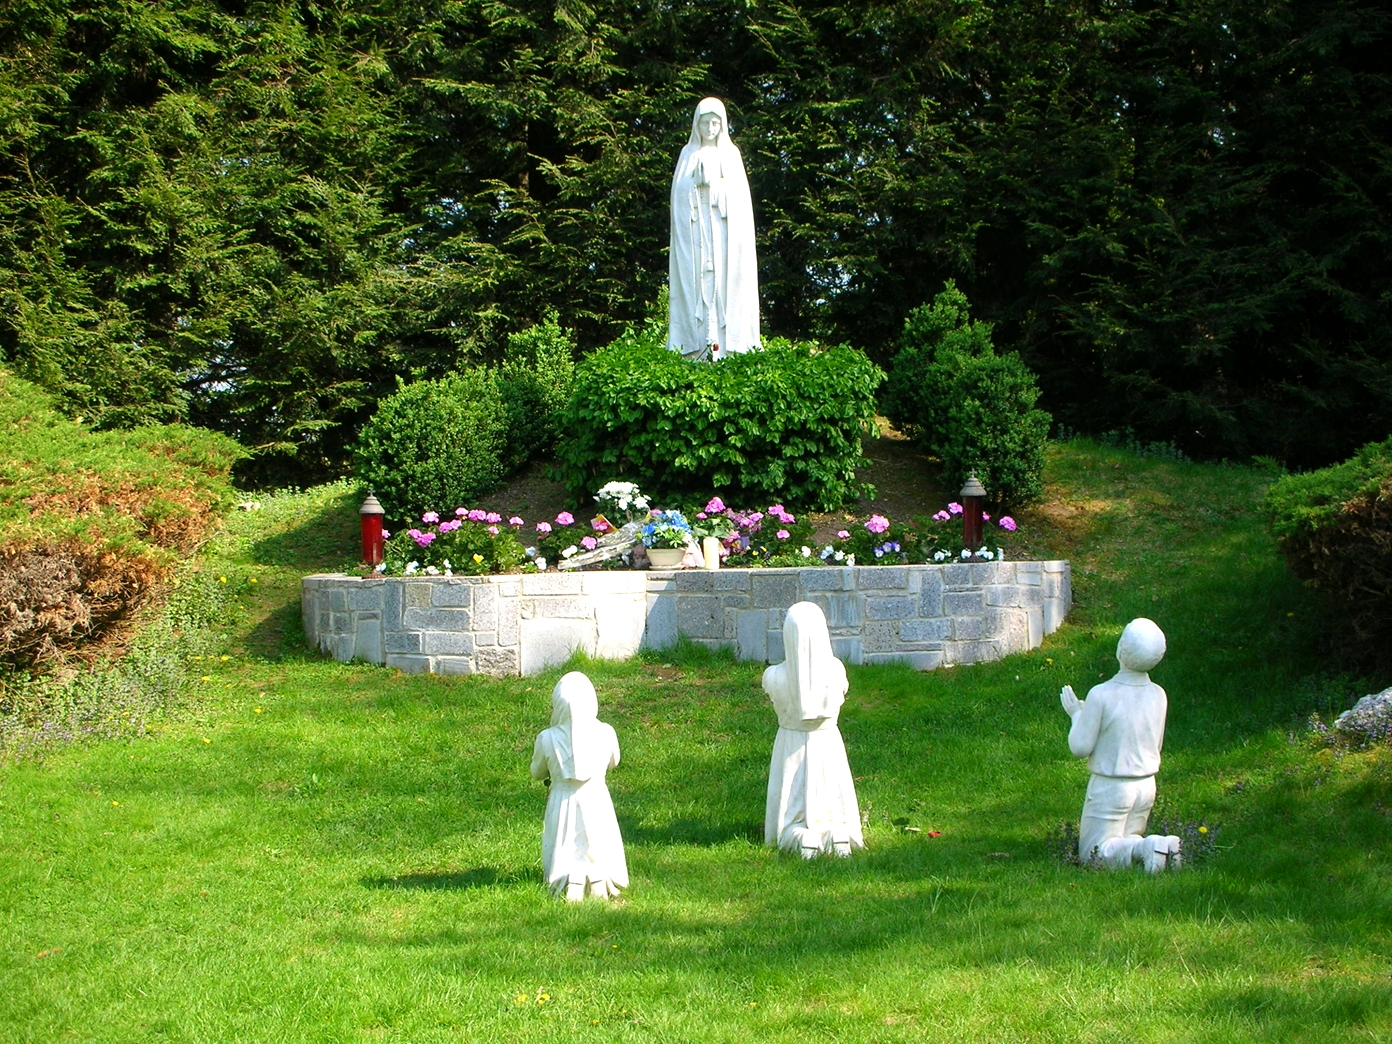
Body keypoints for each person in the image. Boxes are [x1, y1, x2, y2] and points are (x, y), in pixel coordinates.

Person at [1060, 618, 1181, 872]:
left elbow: (1080, 747)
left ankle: (1145, 849)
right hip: (1146, 784)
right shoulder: (1159, 694)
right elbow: (1156, 744)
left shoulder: (1101, 694)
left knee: (1094, 853)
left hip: (1111, 786)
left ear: (1120, 649)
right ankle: (1159, 847)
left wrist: (1076, 715)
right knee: (1127, 837)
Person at [763, 602, 864, 858]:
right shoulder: (836, 670)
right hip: (828, 745)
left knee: (792, 797)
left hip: (791, 749)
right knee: (831, 796)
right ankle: (836, 832)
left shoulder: (773, 676)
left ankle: (797, 833)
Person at [668, 97, 761, 361]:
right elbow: (678, 199)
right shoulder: (688, 155)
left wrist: (715, 186)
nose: (710, 128)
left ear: (722, 126)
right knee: (697, 286)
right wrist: (696, 184)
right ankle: (695, 346)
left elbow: (740, 201)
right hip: (697, 236)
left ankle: (728, 346)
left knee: (723, 288)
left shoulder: (731, 155)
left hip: (723, 239)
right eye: (705, 122)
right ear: (696, 125)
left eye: (715, 123)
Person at [530, 671, 629, 899]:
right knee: (597, 838)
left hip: (561, 800)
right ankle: (597, 875)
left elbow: (537, 772)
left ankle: (565, 876)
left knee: (564, 840)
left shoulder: (547, 737)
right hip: (596, 799)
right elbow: (615, 761)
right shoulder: (606, 732)